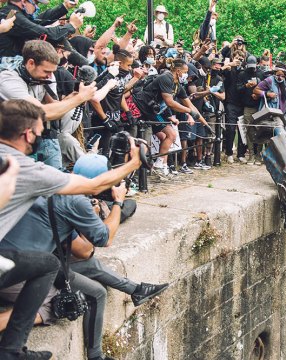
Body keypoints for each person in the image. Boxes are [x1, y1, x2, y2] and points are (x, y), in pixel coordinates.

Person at [0, 100, 141, 359]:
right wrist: (128, 175)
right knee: (57, 293)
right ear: (27, 134)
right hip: (9, 269)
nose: (41, 136)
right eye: (40, 131)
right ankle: (11, 349)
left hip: (12, 256)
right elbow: (94, 244)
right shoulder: (25, 170)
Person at [1, 153, 168, 360]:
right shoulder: (75, 202)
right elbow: (94, 245)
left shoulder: (51, 184)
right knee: (56, 304)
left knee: (96, 289)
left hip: (20, 260)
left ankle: (98, 352)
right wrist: (117, 202)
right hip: (22, 271)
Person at [0, 40, 97, 168]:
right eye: (46, 71)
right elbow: (42, 112)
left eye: (52, 72)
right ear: (31, 63)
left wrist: (73, 97)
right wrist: (79, 98)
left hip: (39, 138)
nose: (50, 76)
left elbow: (55, 107)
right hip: (11, 145)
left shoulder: (44, 76)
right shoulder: (8, 80)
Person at [0, 0, 83, 57]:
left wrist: (65, 7)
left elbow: (38, 22)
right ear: (24, 2)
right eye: (36, 4)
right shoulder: (13, 16)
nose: (36, 7)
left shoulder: (13, 12)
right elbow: (47, 34)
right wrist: (71, 25)